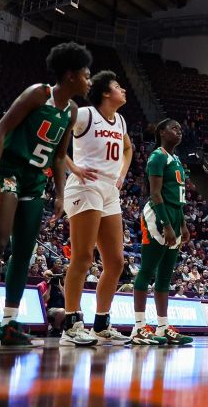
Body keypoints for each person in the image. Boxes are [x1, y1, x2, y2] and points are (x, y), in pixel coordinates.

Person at [0, 43, 92, 349]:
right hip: (7, 171)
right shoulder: (39, 93)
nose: (89, 81)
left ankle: (9, 324)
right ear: (71, 75)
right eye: (86, 76)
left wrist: (60, 195)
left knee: (23, 253)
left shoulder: (72, 111)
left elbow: (60, 157)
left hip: (35, 181)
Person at [61, 71, 134, 346]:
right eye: (118, 86)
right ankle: (71, 323)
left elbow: (128, 149)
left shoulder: (121, 121)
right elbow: (57, 135)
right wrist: (73, 167)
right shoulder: (86, 115)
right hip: (85, 187)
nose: (123, 89)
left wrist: (122, 174)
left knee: (116, 262)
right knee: (82, 258)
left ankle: (101, 324)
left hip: (109, 191)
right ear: (106, 93)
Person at [130, 119, 193, 346]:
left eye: (180, 127)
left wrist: (182, 224)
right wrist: (166, 224)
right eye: (174, 128)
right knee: (147, 270)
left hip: (175, 215)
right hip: (158, 215)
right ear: (161, 132)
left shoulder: (175, 159)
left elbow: (177, 198)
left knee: (165, 276)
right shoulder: (157, 156)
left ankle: (163, 327)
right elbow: (155, 194)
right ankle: (138, 328)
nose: (179, 131)